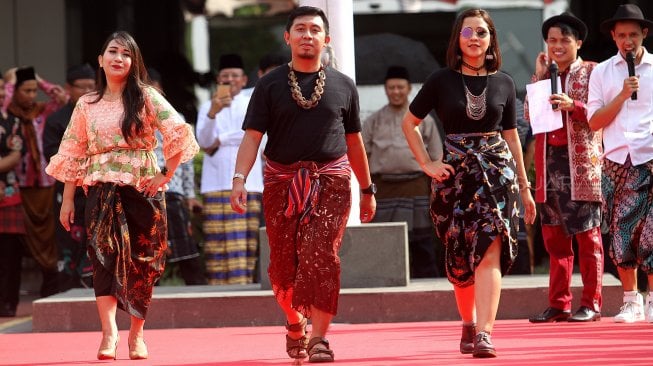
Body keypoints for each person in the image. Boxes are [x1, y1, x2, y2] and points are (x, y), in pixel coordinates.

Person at [230, 6, 376, 362]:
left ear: (326, 39)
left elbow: (354, 142)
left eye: (314, 29)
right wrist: (239, 179)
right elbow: (251, 138)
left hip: (332, 182)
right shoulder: (269, 85)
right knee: (283, 268)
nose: (307, 35)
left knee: (322, 256)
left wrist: (368, 189)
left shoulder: (343, 85)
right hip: (282, 183)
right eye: (300, 29)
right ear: (288, 37)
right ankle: (295, 323)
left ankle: (320, 340)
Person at [45, 31, 199, 360]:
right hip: (100, 190)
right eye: (112, 52)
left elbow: (179, 132)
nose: (119, 58)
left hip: (143, 188)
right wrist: (68, 199)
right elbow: (74, 152)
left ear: (134, 62)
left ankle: (137, 335)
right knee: (102, 258)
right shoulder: (86, 103)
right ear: (100, 61)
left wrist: (164, 175)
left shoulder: (145, 96)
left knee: (145, 261)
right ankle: (109, 331)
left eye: (126, 54)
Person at [401, 8, 536, 358]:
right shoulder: (440, 80)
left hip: (497, 174)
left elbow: (511, 136)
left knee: (490, 247)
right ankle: (468, 323)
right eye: (467, 32)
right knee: (460, 257)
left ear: (491, 39)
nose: (474, 38)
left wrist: (525, 186)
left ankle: (486, 334)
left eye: (482, 32)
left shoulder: (505, 81)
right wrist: (428, 164)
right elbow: (409, 123)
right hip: (455, 179)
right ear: (457, 40)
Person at [525, 12, 603, 323]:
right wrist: (538, 75)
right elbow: (531, 118)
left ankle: (592, 303)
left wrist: (575, 106)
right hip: (549, 163)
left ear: (578, 42)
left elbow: (603, 113)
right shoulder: (544, 76)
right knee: (554, 238)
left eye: (564, 40)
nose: (557, 46)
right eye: (552, 40)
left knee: (588, 237)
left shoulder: (594, 72)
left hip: (581, 165)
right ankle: (559, 303)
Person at [587, 4, 653, 324]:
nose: (628, 41)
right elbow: (594, 120)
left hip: (651, 157)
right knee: (622, 232)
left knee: (652, 233)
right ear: (613, 37)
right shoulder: (601, 72)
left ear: (645, 34)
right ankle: (631, 300)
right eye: (622, 35)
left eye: (634, 34)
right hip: (616, 160)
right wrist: (622, 96)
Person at [362, 65, 443, 278]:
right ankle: (383, 281)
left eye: (400, 87)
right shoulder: (373, 120)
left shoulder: (424, 120)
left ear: (408, 89)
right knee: (384, 242)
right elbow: (363, 155)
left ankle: (428, 285)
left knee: (422, 243)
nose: (396, 91)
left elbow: (437, 156)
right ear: (385, 90)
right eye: (391, 88)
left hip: (415, 186)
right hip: (384, 189)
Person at [196, 53, 264, 285]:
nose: (230, 80)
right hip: (215, 184)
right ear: (218, 80)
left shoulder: (253, 104)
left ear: (244, 80)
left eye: (235, 76)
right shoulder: (207, 106)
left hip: (250, 183)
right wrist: (213, 113)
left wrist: (222, 139)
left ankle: (243, 289)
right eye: (225, 76)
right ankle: (217, 290)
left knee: (245, 243)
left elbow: (258, 138)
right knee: (217, 243)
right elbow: (204, 142)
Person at [5, 66, 67, 298]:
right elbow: (4, 102)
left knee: (49, 237)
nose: (31, 95)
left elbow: (62, 98)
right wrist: (10, 83)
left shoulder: (43, 111)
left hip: (45, 184)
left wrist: (38, 79)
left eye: (34, 91)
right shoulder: (8, 114)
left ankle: (50, 287)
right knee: (23, 240)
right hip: (21, 187)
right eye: (26, 90)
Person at [149, 67, 206, 285]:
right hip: (142, 190)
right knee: (147, 249)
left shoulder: (176, 118)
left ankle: (199, 295)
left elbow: (187, 160)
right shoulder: (131, 118)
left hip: (171, 190)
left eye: (152, 88)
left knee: (185, 250)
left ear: (160, 89)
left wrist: (189, 194)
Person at [43, 63, 97, 291]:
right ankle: (66, 293)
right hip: (69, 192)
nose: (87, 91)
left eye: (91, 87)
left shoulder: (103, 115)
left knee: (96, 243)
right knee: (67, 244)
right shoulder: (57, 119)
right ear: (69, 88)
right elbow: (54, 157)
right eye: (81, 87)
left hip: (96, 189)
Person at [0, 76, 27, 317]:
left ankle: (9, 303)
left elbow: (16, 154)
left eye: (1, 88)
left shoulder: (13, 122)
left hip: (8, 193)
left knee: (10, 254)